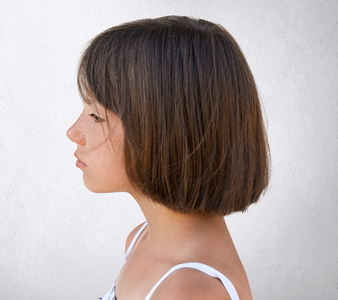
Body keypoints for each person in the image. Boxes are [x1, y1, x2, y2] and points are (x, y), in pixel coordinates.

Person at [66, 16, 269, 300]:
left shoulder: (189, 291)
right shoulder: (141, 239)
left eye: (95, 115)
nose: (73, 132)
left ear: (166, 131)